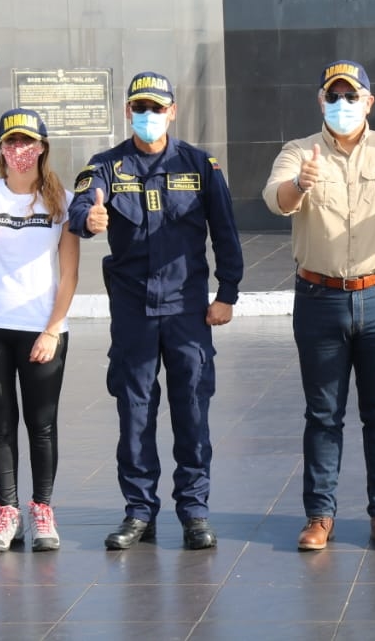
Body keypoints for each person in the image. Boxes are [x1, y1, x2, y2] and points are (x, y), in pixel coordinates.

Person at [263, 60, 375, 551]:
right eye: (333, 96)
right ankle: (319, 515)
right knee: (323, 415)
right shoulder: (299, 152)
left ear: (369, 101)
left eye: (351, 96)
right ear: (321, 101)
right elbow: (274, 200)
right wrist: (300, 184)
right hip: (319, 298)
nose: (342, 105)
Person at [68, 72, 244, 551]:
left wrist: (227, 292)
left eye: (156, 107)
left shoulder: (200, 165)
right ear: (129, 112)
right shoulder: (105, 165)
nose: (148, 116)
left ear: (172, 110)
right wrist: (90, 218)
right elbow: (80, 208)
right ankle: (139, 511)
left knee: (192, 411)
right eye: (139, 108)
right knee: (135, 414)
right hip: (133, 312)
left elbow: (224, 231)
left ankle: (194, 511)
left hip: (187, 309)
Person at [0, 108, 79, 553]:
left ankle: (41, 510)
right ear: (0, 149)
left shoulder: (62, 202)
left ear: (43, 148)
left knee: (42, 425)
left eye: (28, 142)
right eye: (11, 143)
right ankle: (6, 512)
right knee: (0, 425)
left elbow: (69, 276)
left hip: (41, 329)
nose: (19, 151)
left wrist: (51, 330)